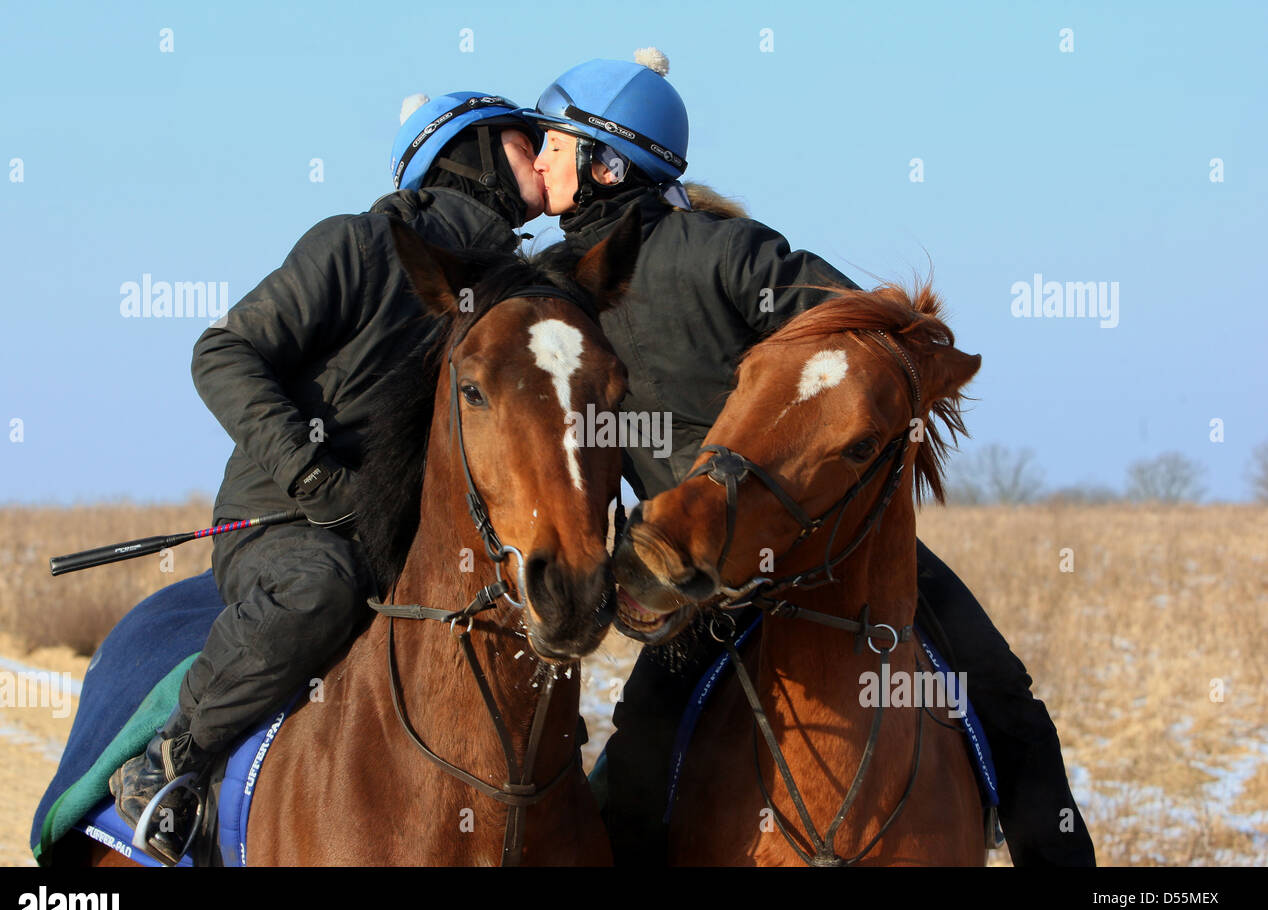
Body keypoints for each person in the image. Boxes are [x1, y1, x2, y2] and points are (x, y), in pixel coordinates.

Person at [524, 49, 1096, 866]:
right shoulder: (572, 283)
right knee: (1002, 698)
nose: (539, 155)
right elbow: (873, 335)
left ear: (608, 163)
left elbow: (854, 340)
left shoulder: (698, 257)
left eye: (553, 140)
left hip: (764, 553)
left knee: (642, 757)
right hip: (702, 563)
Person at [108, 92, 546, 865]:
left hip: (410, 546)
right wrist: (311, 476)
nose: (545, 154)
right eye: (525, 140)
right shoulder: (356, 244)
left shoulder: (516, 293)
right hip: (287, 528)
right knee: (324, 590)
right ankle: (171, 760)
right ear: (468, 149)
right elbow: (222, 352)